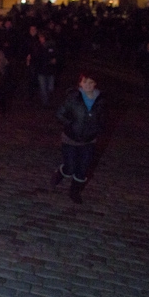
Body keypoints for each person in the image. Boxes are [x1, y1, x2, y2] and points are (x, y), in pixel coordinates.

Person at [52, 73, 105, 204]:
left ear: (95, 84)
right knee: (70, 167)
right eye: (85, 82)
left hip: (89, 141)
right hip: (70, 139)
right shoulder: (73, 97)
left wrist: (97, 129)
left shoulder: (100, 101)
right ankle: (60, 173)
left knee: (83, 169)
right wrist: (71, 124)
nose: (88, 85)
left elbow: (104, 118)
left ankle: (74, 192)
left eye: (91, 82)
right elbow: (60, 114)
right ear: (80, 83)